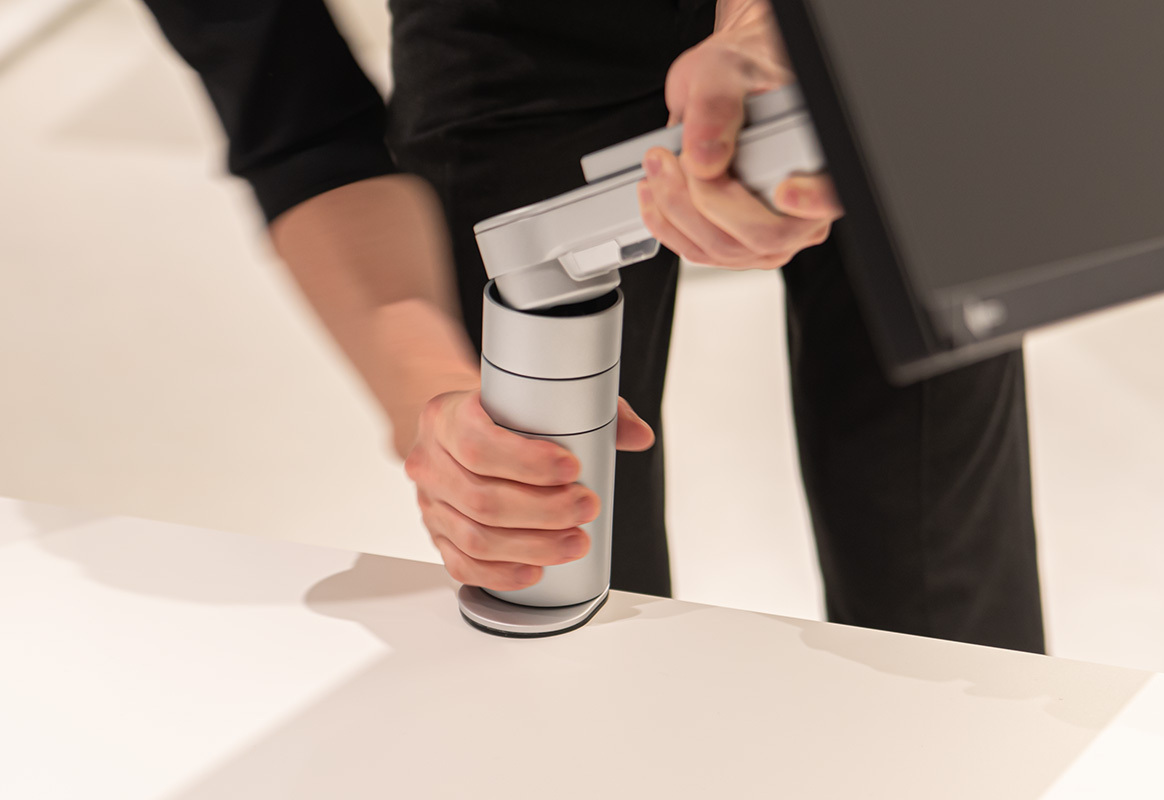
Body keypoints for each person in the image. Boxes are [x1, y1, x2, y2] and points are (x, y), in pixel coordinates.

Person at [144, 0, 1045, 652]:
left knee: (942, 555)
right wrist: (442, 411)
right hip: (515, 37)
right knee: (549, 569)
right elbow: (298, 127)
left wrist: (765, 28)